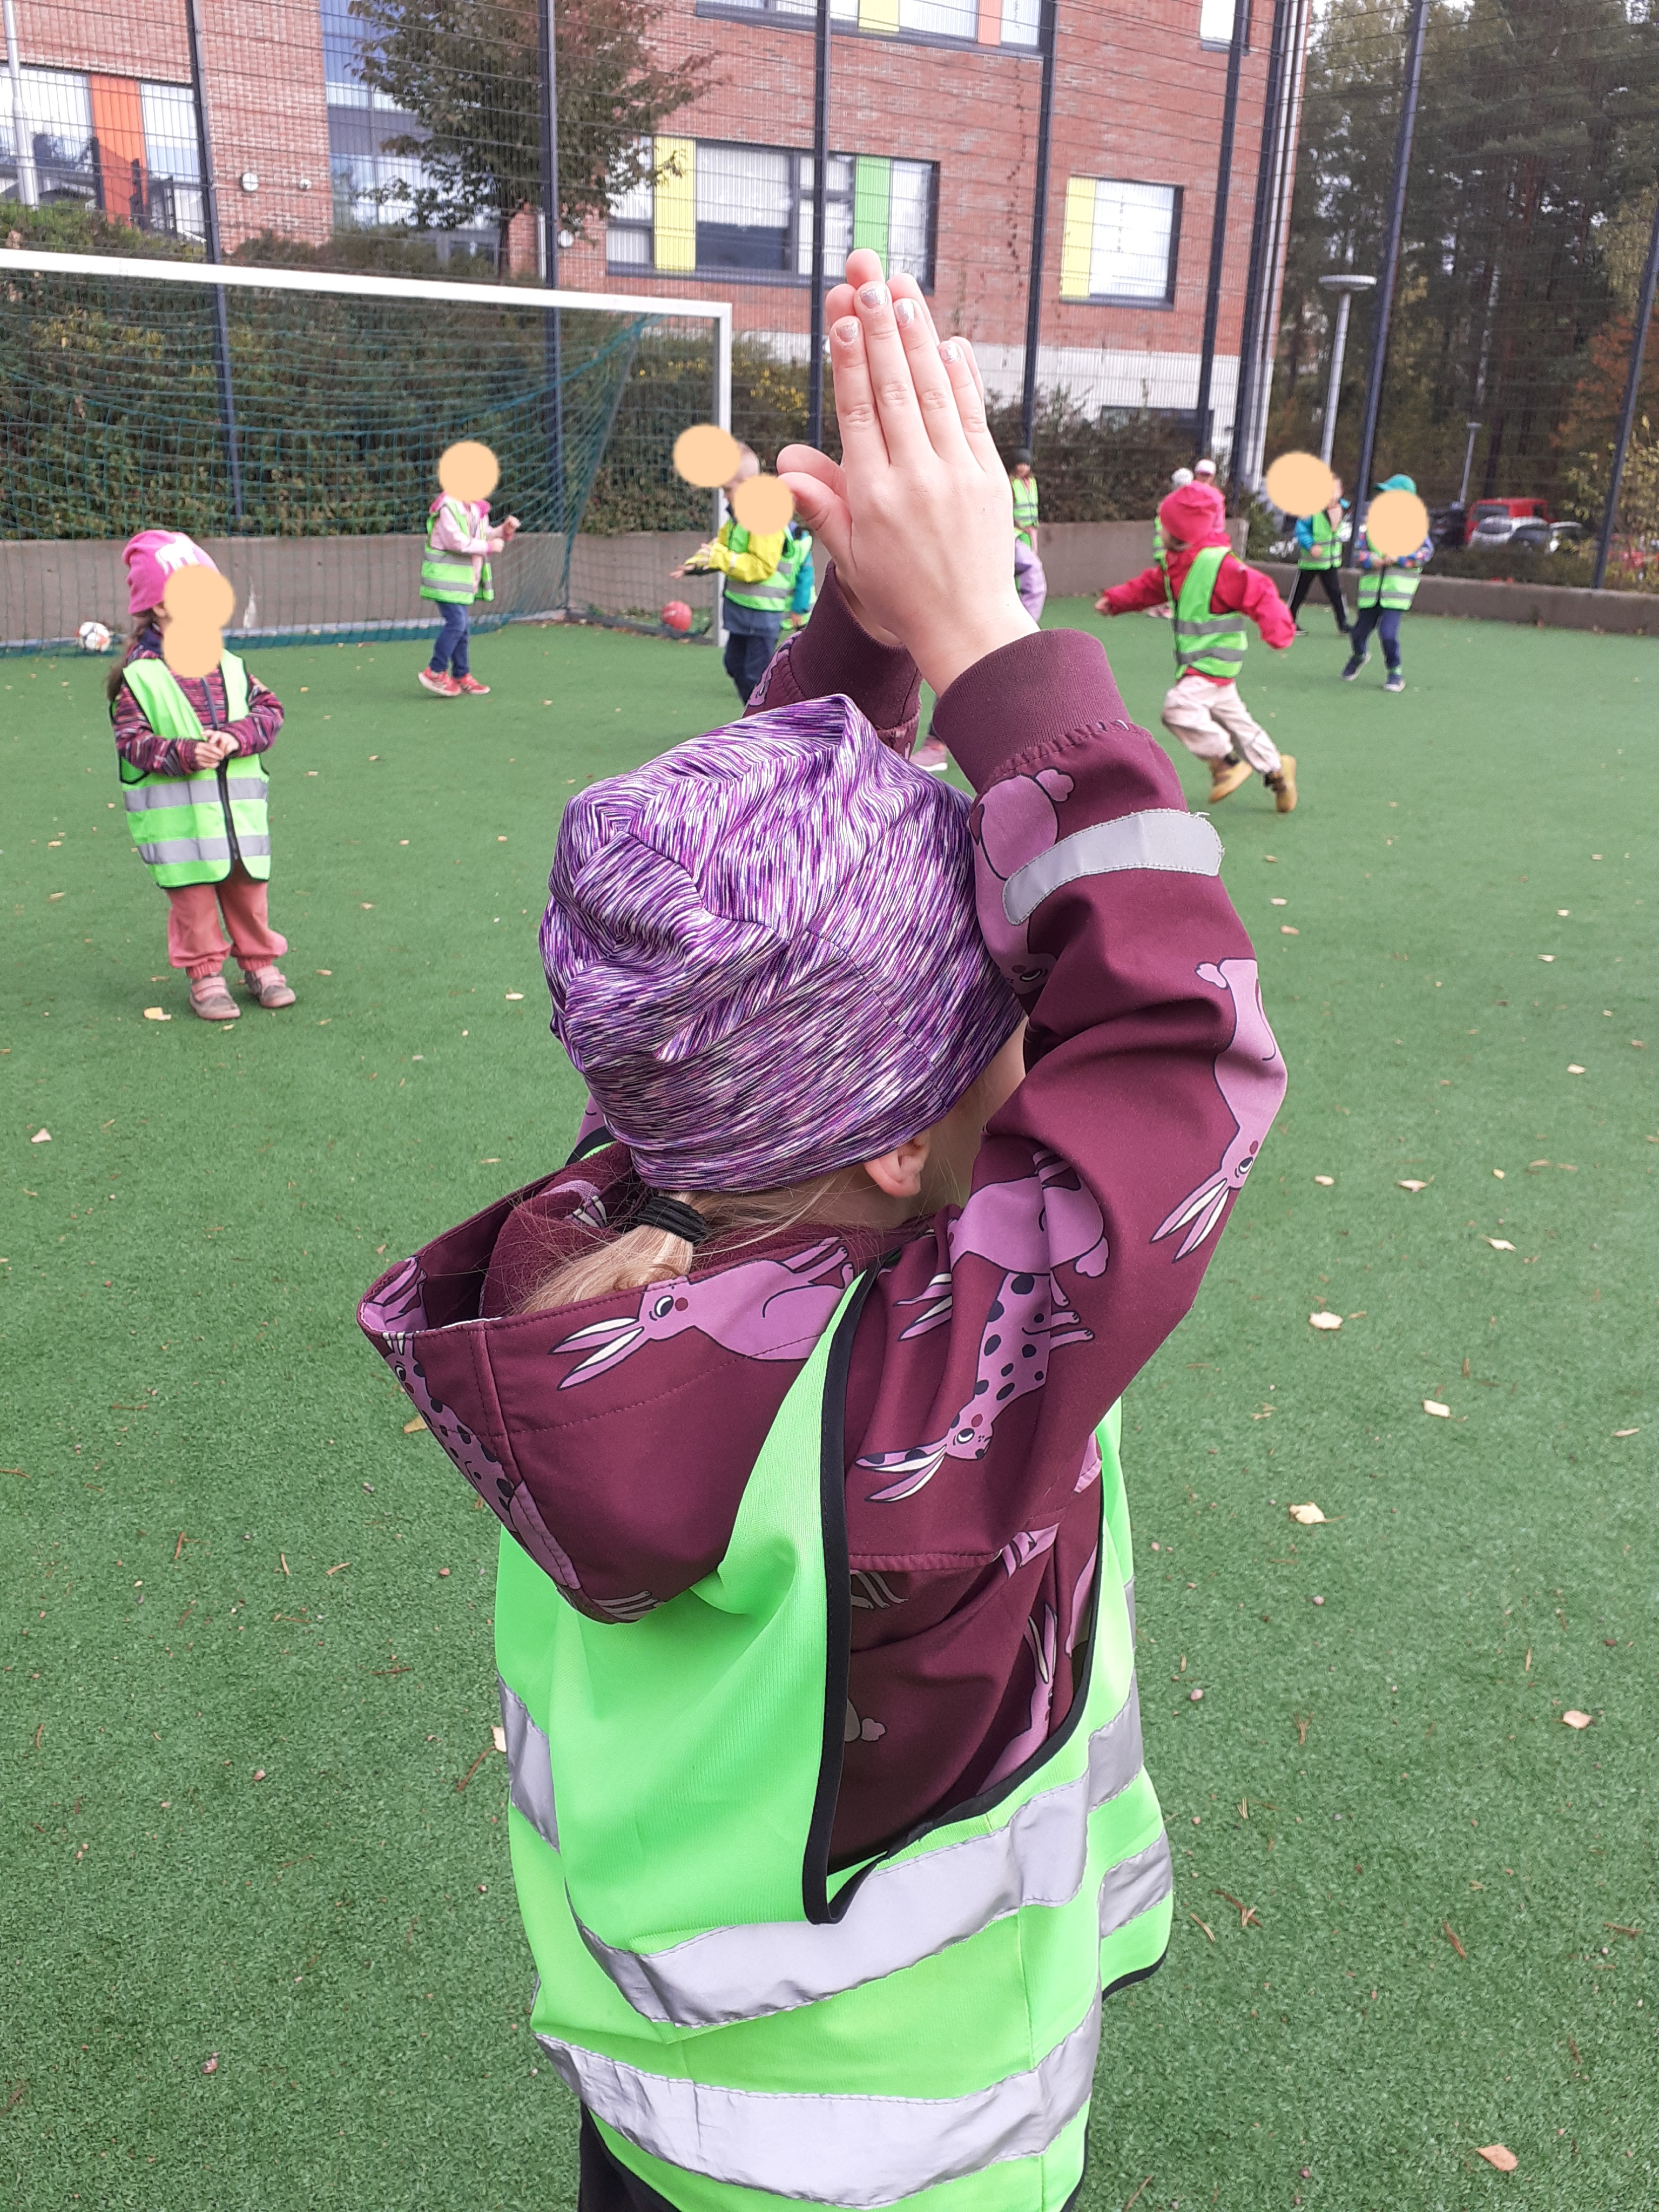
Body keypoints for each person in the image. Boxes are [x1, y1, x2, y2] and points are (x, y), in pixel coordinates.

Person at [360, 247, 1286, 2212]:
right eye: (1004, 1009)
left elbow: (732, 934)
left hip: (665, 2101)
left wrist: (869, 632)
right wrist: (998, 655)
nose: (1037, 1026)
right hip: (906, 2150)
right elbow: (1175, 1048)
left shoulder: (620, 1220)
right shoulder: (935, 1401)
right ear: (893, 1149)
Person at [111, 530, 293, 1022]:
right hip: (181, 826)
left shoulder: (230, 665)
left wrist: (235, 737)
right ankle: (206, 976)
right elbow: (132, 743)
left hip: (238, 820)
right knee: (193, 904)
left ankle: (260, 964)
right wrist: (186, 754)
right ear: (161, 608)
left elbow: (270, 712)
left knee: (249, 895)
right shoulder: (139, 677)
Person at [1097, 479, 1299, 812]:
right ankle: (1278, 771)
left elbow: (1259, 589)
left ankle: (1226, 763)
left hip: (1212, 662)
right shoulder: (1177, 564)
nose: (1159, 531)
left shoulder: (1218, 565)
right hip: (1207, 665)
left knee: (1178, 708)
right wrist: (1116, 601)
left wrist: (1279, 631)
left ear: (1179, 531)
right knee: (1239, 725)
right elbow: (1150, 587)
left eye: (1163, 525)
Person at [672, 444, 793, 705]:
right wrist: (695, 565)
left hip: (762, 615)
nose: (725, 497)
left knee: (755, 675)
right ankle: (756, 714)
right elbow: (720, 547)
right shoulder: (737, 519)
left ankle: (765, 719)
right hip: (740, 611)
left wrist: (720, 558)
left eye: (728, 489)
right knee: (734, 664)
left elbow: (761, 567)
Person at [419, 478, 518, 697]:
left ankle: (461, 675)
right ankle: (435, 671)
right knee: (457, 624)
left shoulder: (475, 508)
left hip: (460, 581)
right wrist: (489, 547)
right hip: (444, 578)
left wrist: (503, 531)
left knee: (462, 628)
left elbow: (483, 534)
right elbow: (455, 541)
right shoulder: (449, 506)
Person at [1345, 474, 1432, 693]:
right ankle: (1360, 655)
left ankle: (1395, 673)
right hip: (1370, 594)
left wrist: (1400, 559)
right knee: (1358, 633)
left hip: (1396, 596)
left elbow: (1425, 553)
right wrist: (1371, 560)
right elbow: (1358, 553)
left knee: (1388, 634)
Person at [1287, 481, 1352, 635]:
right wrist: (1311, 546)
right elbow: (1301, 530)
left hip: (1330, 562)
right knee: (1299, 593)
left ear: (1341, 492)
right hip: (1310, 562)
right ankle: (1289, 622)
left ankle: (1343, 624)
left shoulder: (1343, 509)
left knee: (1336, 593)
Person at [779, 518, 815, 632]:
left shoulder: (800, 543)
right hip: (781, 610)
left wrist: (799, 610)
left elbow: (805, 581)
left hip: (799, 612)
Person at [1009, 444, 1039, 548]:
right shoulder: (1012, 482)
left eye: (1026, 464)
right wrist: (1019, 525)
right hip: (1018, 530)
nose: (1023, 467)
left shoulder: (1032, 482)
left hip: (1032, 528)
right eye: (1020, 464)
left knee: (1033, 553)